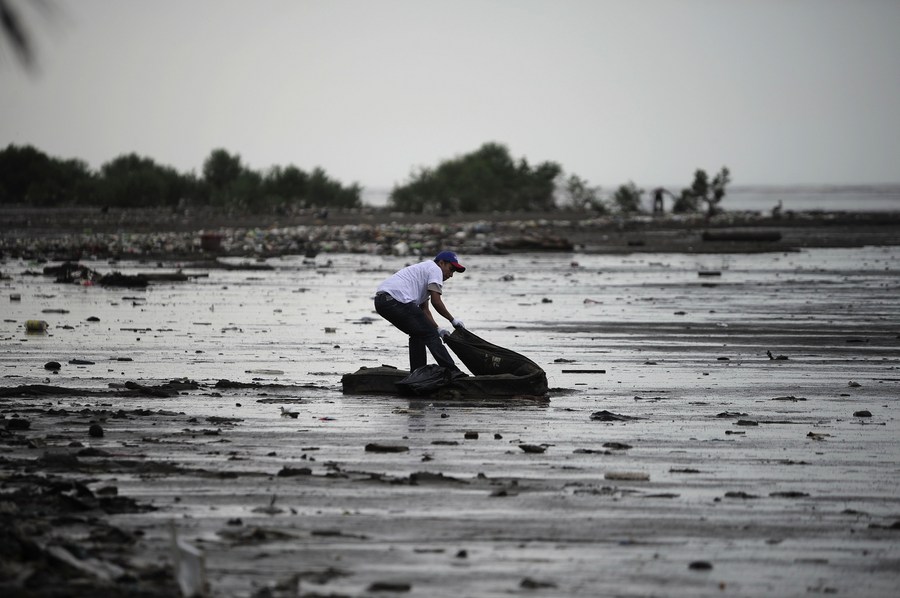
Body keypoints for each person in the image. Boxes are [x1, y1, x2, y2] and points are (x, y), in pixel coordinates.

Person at [374, 250, 467, 373]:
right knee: (430, 334)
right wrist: (453, 320)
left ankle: (417, 373)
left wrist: (438, 329)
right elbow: (436, 302)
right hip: (395, 300)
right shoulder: (435, 269)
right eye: (451, 269)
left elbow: (424, 310)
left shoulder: (425, 271)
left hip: (382, 302)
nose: (451, 275)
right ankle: (452, 371)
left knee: (418, 334)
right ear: (442, 263)